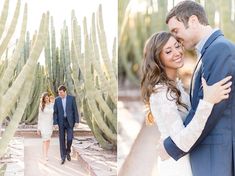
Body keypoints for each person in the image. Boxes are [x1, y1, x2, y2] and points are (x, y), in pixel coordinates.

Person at [160, 1, 235, 175]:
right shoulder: (210, 51)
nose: (176, 38)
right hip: (208, 154)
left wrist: (172, 146)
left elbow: (212, 110)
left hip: (216, 156)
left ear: (193, 21)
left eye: (176, 31)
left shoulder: (220, 50)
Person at [141, 31, 232, 176]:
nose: (177, 52)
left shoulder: (175, 86)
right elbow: (182, 141)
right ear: (157, 58)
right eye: (168, 51)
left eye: (177, 46)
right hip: (176, 166)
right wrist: (207, 102)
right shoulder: (162, 93)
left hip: (183, 160)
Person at [53, 85, 79, 164]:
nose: (60, 94)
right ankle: (63, 157)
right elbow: (55, 112)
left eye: (61, 93)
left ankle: (68, 151)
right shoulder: (57, 100)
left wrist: (77, 121)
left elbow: (75, 110)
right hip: (61, 122)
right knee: (61, 139)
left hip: (70, 121)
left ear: (65, 92)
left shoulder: (71, 99)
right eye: (59, 93)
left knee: (70, 138)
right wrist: (55, 123)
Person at [37, 92, 54, 163]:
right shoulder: (41, 106)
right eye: (45, 98)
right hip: (43, 125)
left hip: (50, 125)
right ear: (43, 99)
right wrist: (38, 128)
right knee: (44, 140)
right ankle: (44, 155)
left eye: (48, 98)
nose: (47, 99)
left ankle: (46, 153)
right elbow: (39, 117)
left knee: (48, 140)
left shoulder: (52, 105)